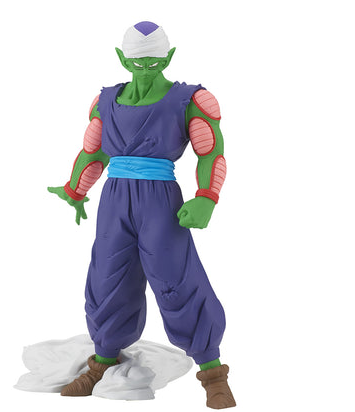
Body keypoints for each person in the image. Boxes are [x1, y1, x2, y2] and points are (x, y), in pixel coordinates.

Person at [48, 21, 236, 409]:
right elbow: (94, 151)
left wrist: (207, 197)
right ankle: (102, 361)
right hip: (114, 200)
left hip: (161, 201)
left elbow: (211, 151)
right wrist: (75, 190)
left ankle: (213, 372)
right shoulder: (106, 101)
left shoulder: (192, 99)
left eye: (153, 62)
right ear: (122, 59)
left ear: (168, 57)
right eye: (138, 62)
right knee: (107, 277)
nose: (146, 69)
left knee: (176, 278)